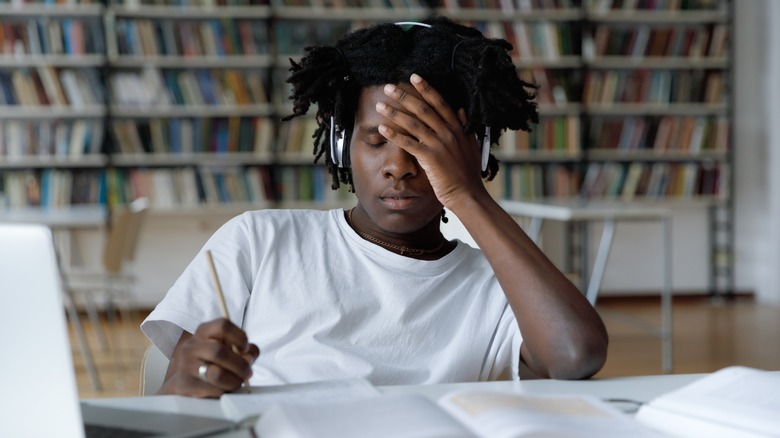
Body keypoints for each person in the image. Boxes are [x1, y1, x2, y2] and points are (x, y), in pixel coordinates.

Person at [141, 16, 608, 398]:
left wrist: (466, 194)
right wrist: (187, 381)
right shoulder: (258, 241)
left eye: (426, 145)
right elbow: (174, 402)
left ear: (475, 153)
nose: (399, 167)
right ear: (343, 146)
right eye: (377, 140)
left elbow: (576, 353)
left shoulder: (502, 288)